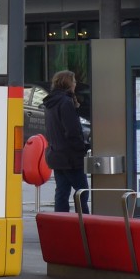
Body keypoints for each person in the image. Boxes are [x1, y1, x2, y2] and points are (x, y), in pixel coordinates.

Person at [43, 69, 89, 213]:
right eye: (74, 81)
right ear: (68, 83)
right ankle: (84, 224)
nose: (75, 84)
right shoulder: (65, 102)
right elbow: (73, 131)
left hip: (56, 154)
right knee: (82, 192)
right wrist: (83, 148)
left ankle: (61, 224)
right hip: (71, 157)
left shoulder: (51, 103)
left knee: (62, 193)